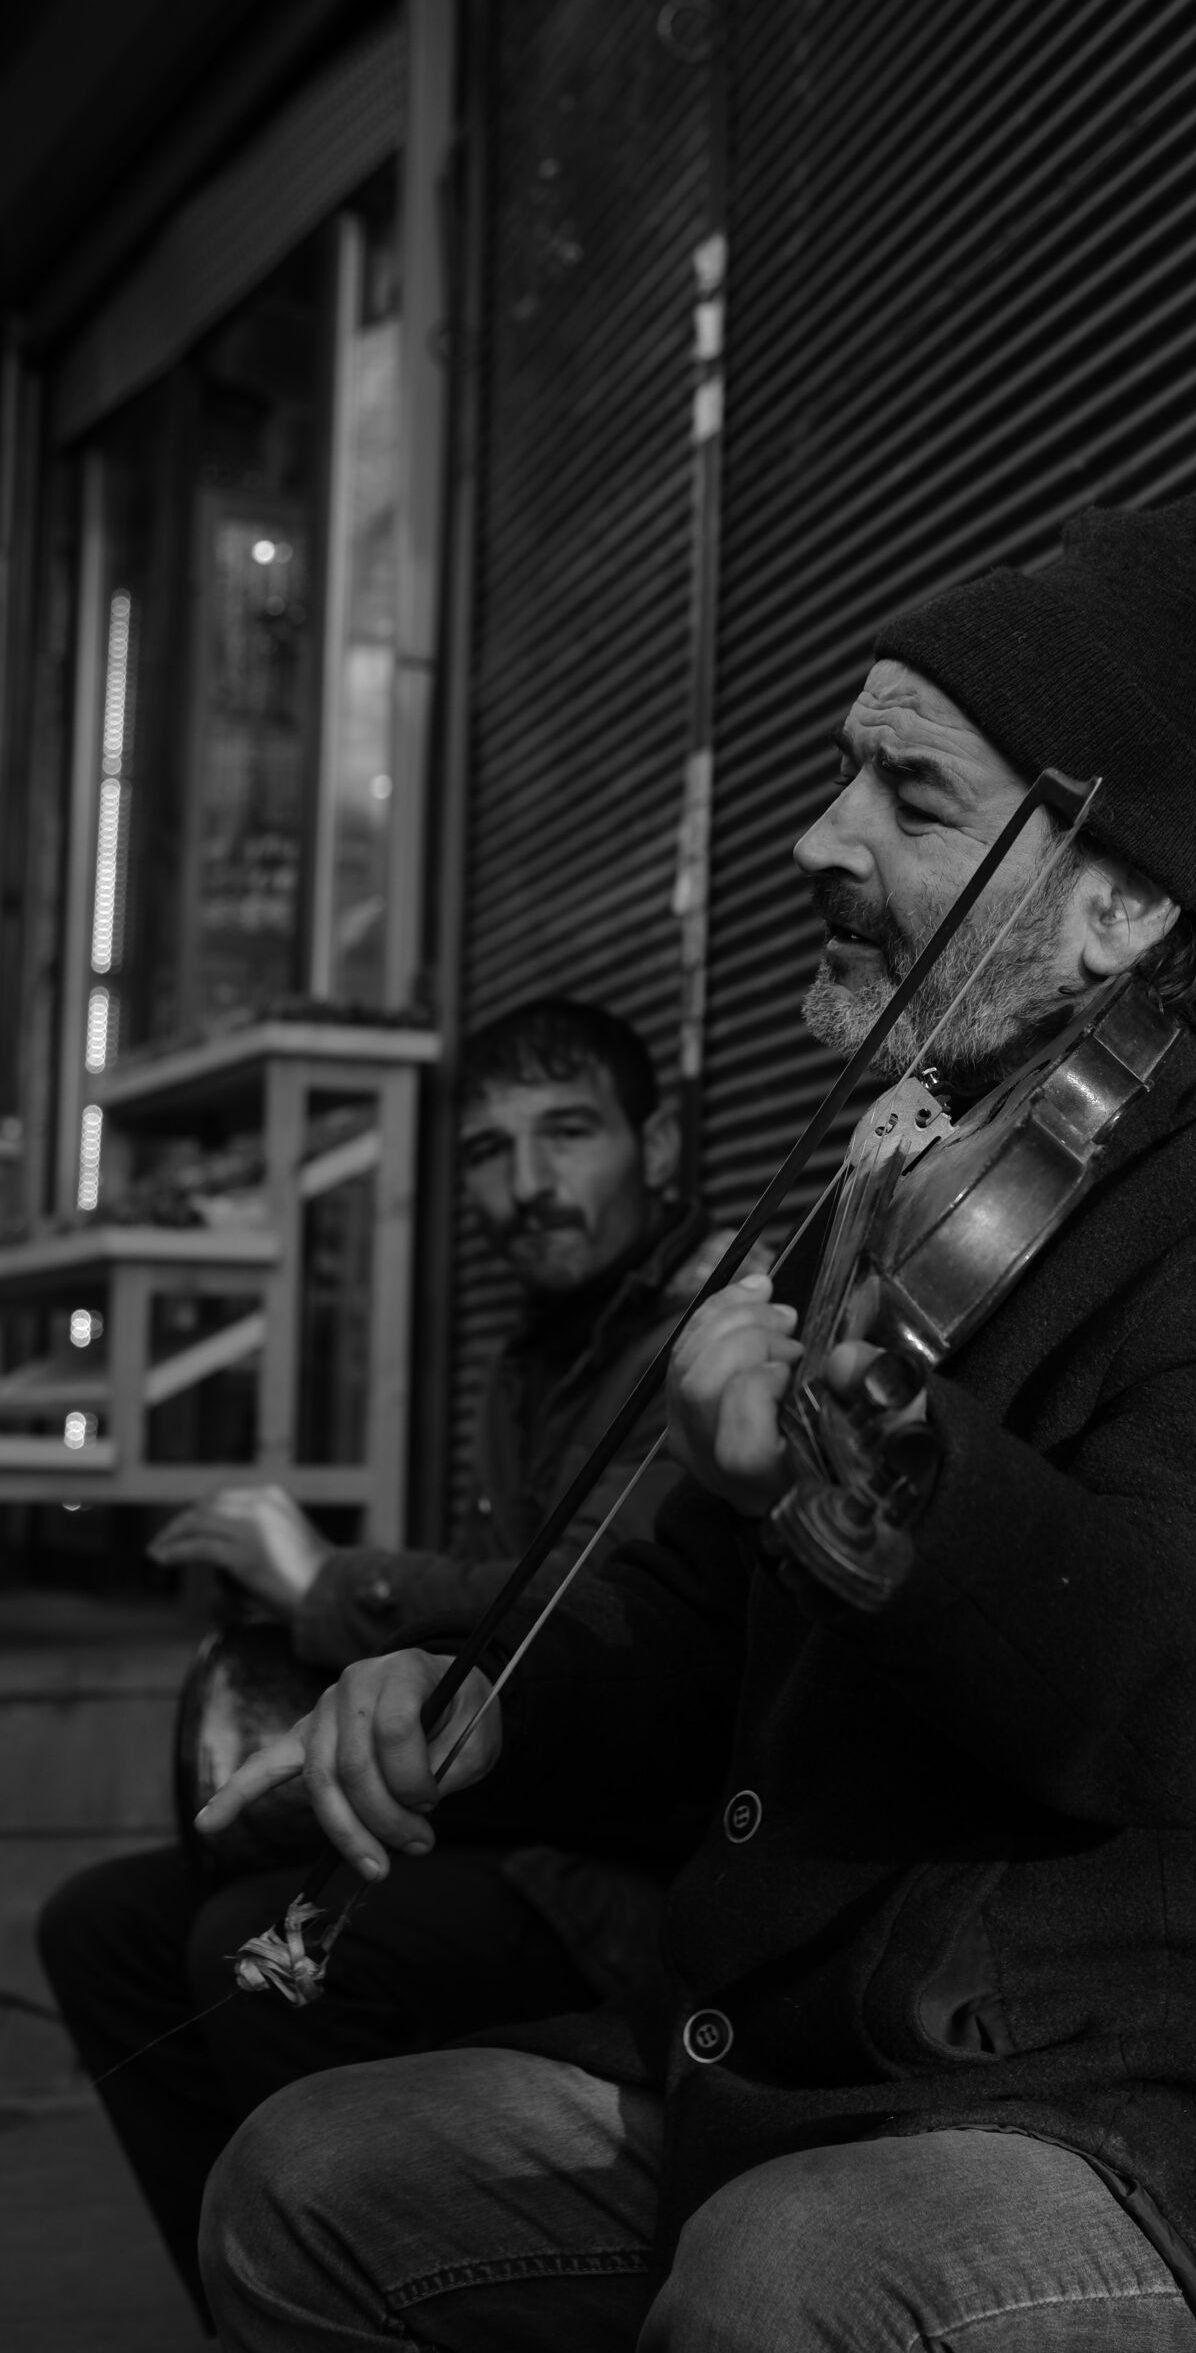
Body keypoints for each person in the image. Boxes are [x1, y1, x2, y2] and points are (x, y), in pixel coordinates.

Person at [194, 478, 1196, 2353]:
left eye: (912, 802)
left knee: (789, 2280)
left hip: (1170, 2135)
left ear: (1117, 907)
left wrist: (872, 1475)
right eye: (843, 775)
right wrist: (481, 1715)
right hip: (817, 2070)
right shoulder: (893, 1188)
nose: (819, 838)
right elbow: (674, 1636)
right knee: (313, 2177)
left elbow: (1195, 1686)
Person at [38, 997, 726, 2326]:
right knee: (106, 1925)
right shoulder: (527, 1357)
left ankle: (363, 2285)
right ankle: (258, 2304)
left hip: (636, 1871)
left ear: (661, 1140)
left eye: (568, 1134)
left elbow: (570, 1609)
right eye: (487, 1151)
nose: (526, 1188)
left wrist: (324, 1581)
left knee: (262, 1948)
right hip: (529, 1820)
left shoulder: (702, 1330)